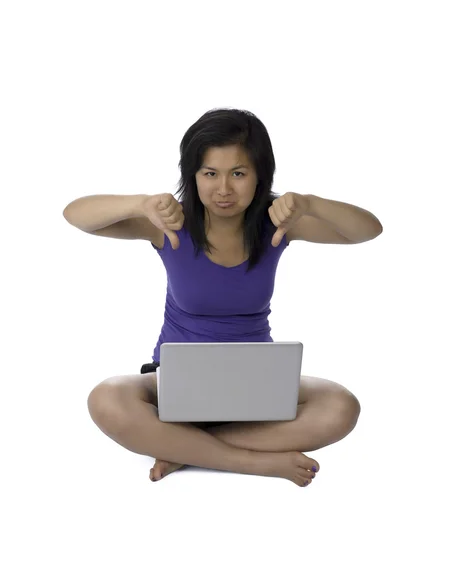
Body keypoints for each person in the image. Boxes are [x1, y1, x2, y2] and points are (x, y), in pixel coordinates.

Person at [63, 107, 382, 487]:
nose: (224, 189)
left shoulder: (277, 225)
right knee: (106, 398)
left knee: (341, 406)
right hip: (174, 386)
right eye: (210, 173)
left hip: (256, 385)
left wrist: (310, 204)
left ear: (260, 175)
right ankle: (252, 461)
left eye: (239, 173)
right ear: (193, 175)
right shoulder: (169, 225)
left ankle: (182, 449)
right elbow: (75, 214)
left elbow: (368, 229)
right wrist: (140, 203)